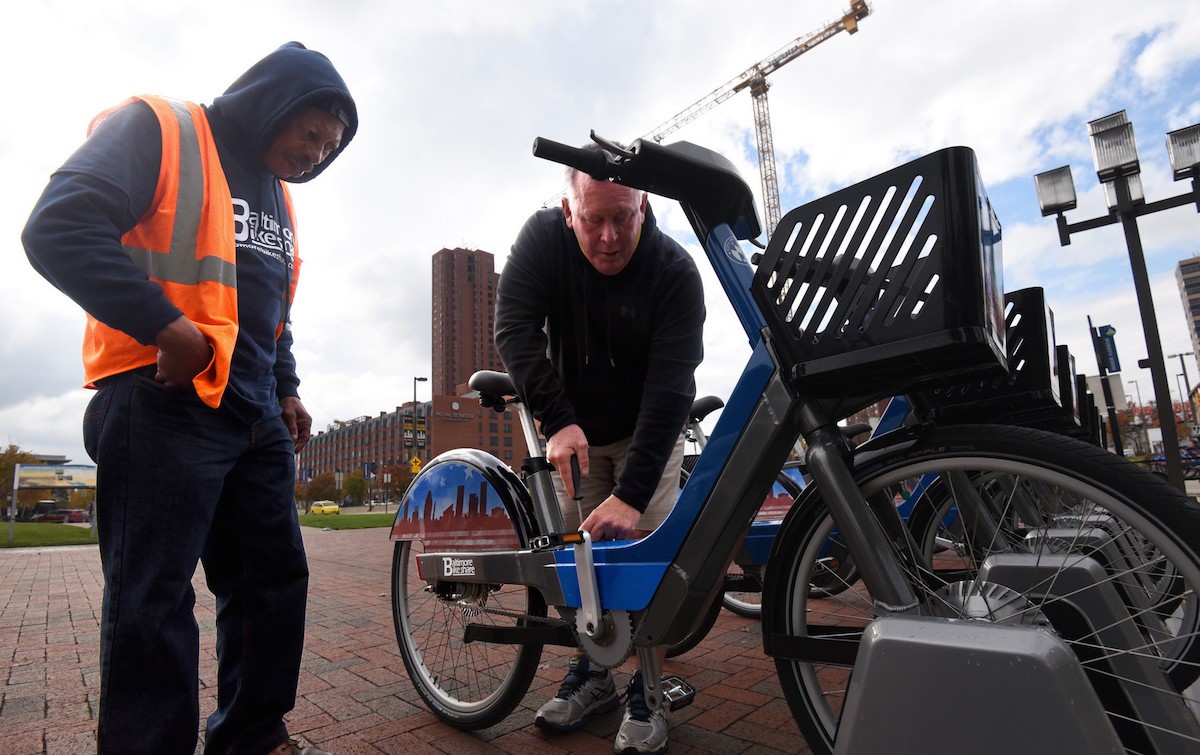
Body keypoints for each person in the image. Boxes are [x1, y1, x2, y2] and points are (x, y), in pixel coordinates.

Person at [22, 42, 357, 755]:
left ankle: (252, 735)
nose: (315, 156)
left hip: (254, 410)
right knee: (154, 601)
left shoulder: (278, 193)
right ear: (277, 99)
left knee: (273, 583)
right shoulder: (161, 128)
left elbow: (269, 304)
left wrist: (287, 387)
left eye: (329, 148)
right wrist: (162, 324)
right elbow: (57, 225)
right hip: (162, 398)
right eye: (311, 135)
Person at [494, 143, 705, 755]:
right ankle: (593, 675)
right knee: (576, 562)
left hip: (647, 426)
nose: (609, 237)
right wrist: (557, 421)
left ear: (643, 205)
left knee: (649, 567)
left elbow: (672, 387)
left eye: (624, 217)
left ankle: (649, 686)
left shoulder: (674, 272)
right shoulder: (541, 239)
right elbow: (513, 328)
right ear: (569, 210)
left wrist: (632, 495)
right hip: (576, 431)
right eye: (594, 220)